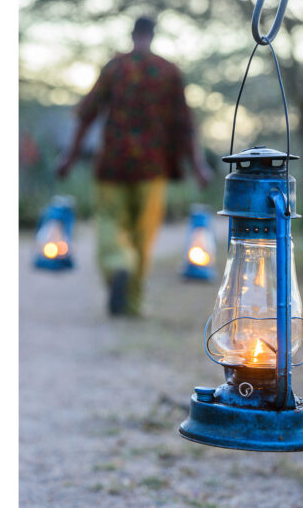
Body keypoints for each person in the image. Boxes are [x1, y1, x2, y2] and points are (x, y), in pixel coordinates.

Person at [56, 16, 212, 317]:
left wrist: (69, 157)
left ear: (132, 35)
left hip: (112, 164)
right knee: (144, 234)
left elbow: (86, 115)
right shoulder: (169, 72)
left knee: (109, 222)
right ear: (153, 35)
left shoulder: (115, 68)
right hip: (151, 169)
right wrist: (198, 165)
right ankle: (133, 301)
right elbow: (185, 124)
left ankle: (117, 265)